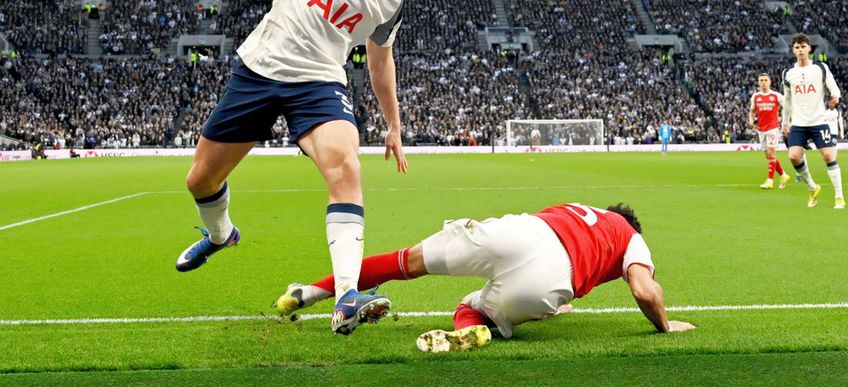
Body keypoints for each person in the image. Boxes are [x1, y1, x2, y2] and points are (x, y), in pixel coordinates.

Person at [132, 0, 431, 334]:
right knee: (200, 179)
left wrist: (394, 124)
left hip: (318, 84)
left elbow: (380, 59)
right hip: (259, 69)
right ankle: (220, 235)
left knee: (346, 168)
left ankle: (347, 295)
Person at [274, 202, 695, 352]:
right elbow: (643, 288)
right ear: (632, 225)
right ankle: (467, 332)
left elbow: (561, 242)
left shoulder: (584, 210)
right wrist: (665, 323)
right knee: (471, 306)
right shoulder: (630, 237)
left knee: (406, 262)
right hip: (550, 279)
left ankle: (308, 291)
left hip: (523, 231)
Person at [781, 33, 844, 209]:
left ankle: (839, 196)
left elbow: (833, 87)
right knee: (793, 156)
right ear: (793, 50)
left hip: (818, 120)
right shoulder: (788, 73)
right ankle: (812, 187)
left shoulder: (820, 68)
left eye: (803, 46)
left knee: (828, 155)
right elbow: (787, 100)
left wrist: (835, 96)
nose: (800, 50)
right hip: (799, 123)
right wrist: (785, 122)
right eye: (797, 47)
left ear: (809, 48)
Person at [748, 73, 791, 190]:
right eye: (761, 80)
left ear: (770, 82)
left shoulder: (776, 96)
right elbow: (752, 111)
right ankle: (783, 175)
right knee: (768, 156)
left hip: (773, 128)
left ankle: (770, 181)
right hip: (761, 129)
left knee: (771, 153)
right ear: (758, 82)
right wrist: (751, 120)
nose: (763, 82)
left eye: (765, 80)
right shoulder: (755, 97)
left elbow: (787, 108)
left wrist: (786, 122)